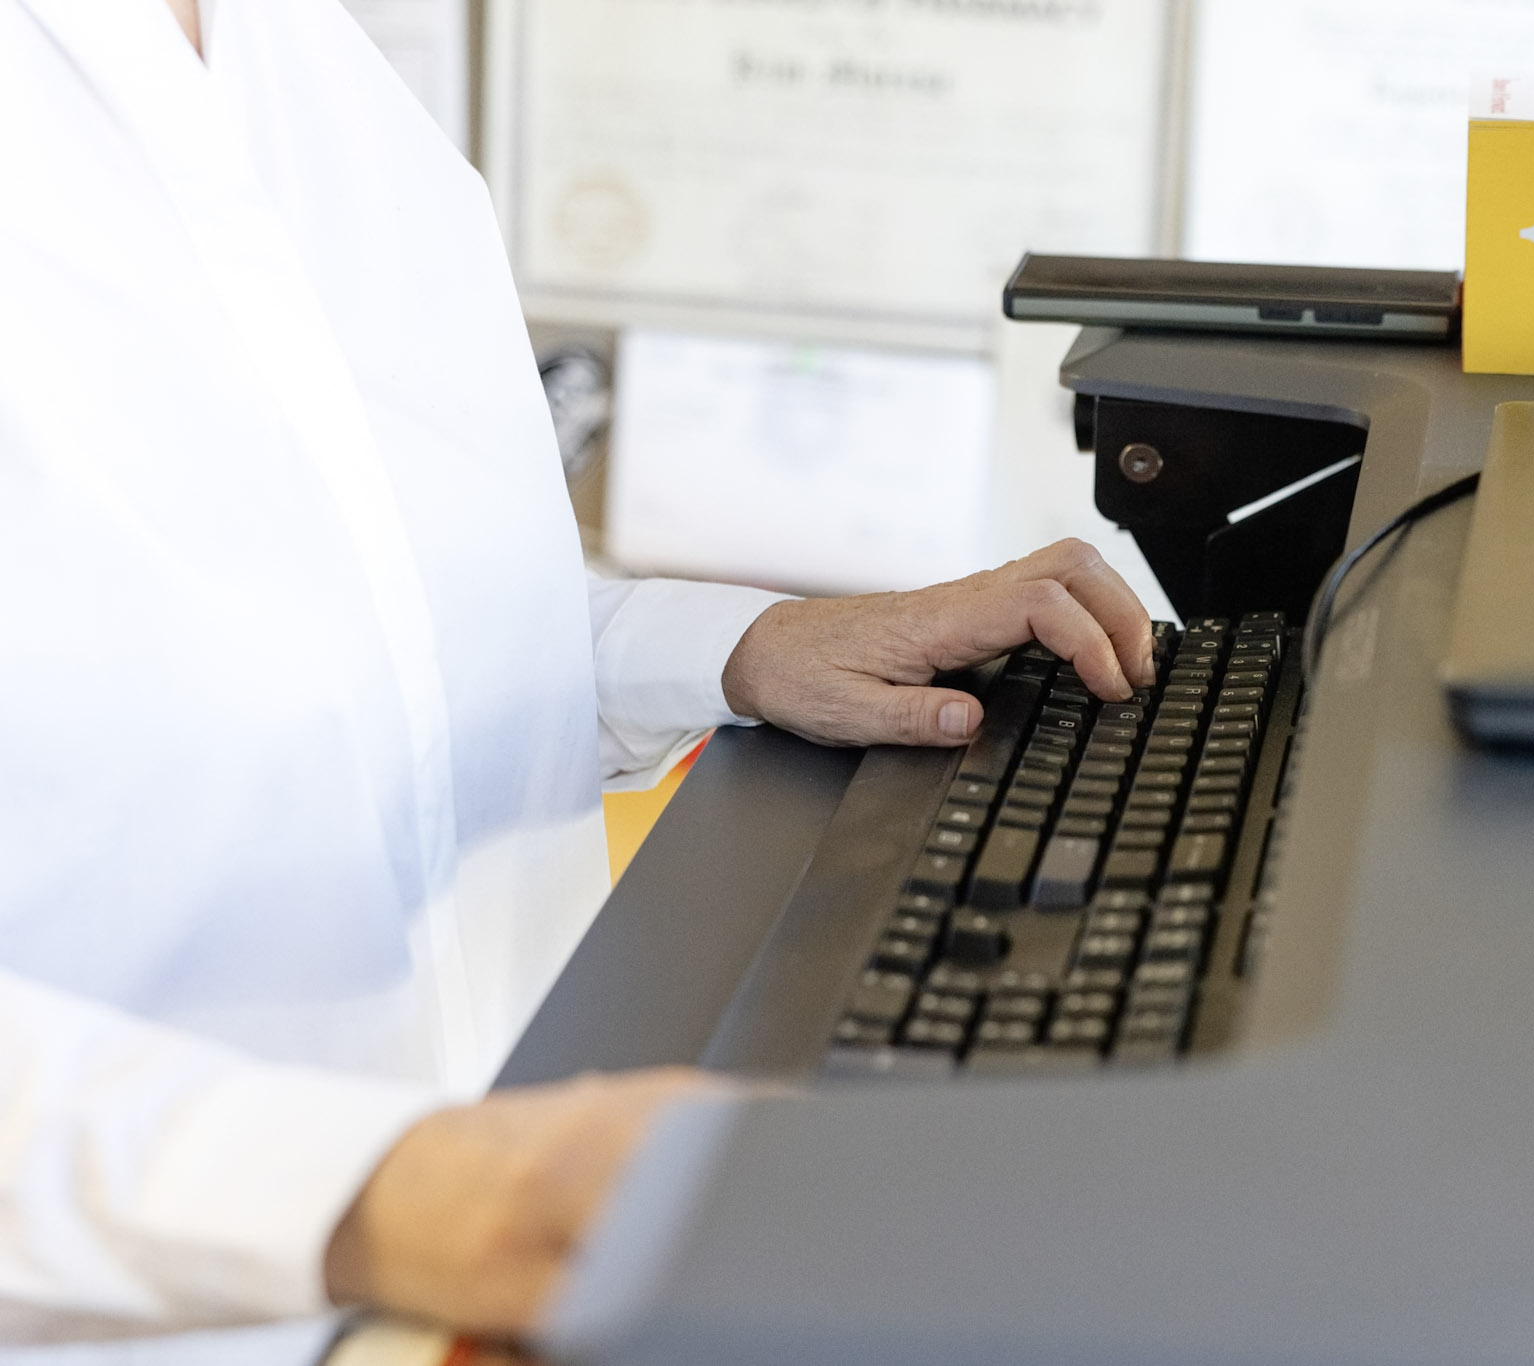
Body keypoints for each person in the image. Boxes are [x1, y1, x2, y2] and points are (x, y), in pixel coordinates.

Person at [0, 0, 1155, 1357]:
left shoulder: (310, 61)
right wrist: (397, 1190)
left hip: (516, 1265)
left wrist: (737, 646)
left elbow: (370, 623)